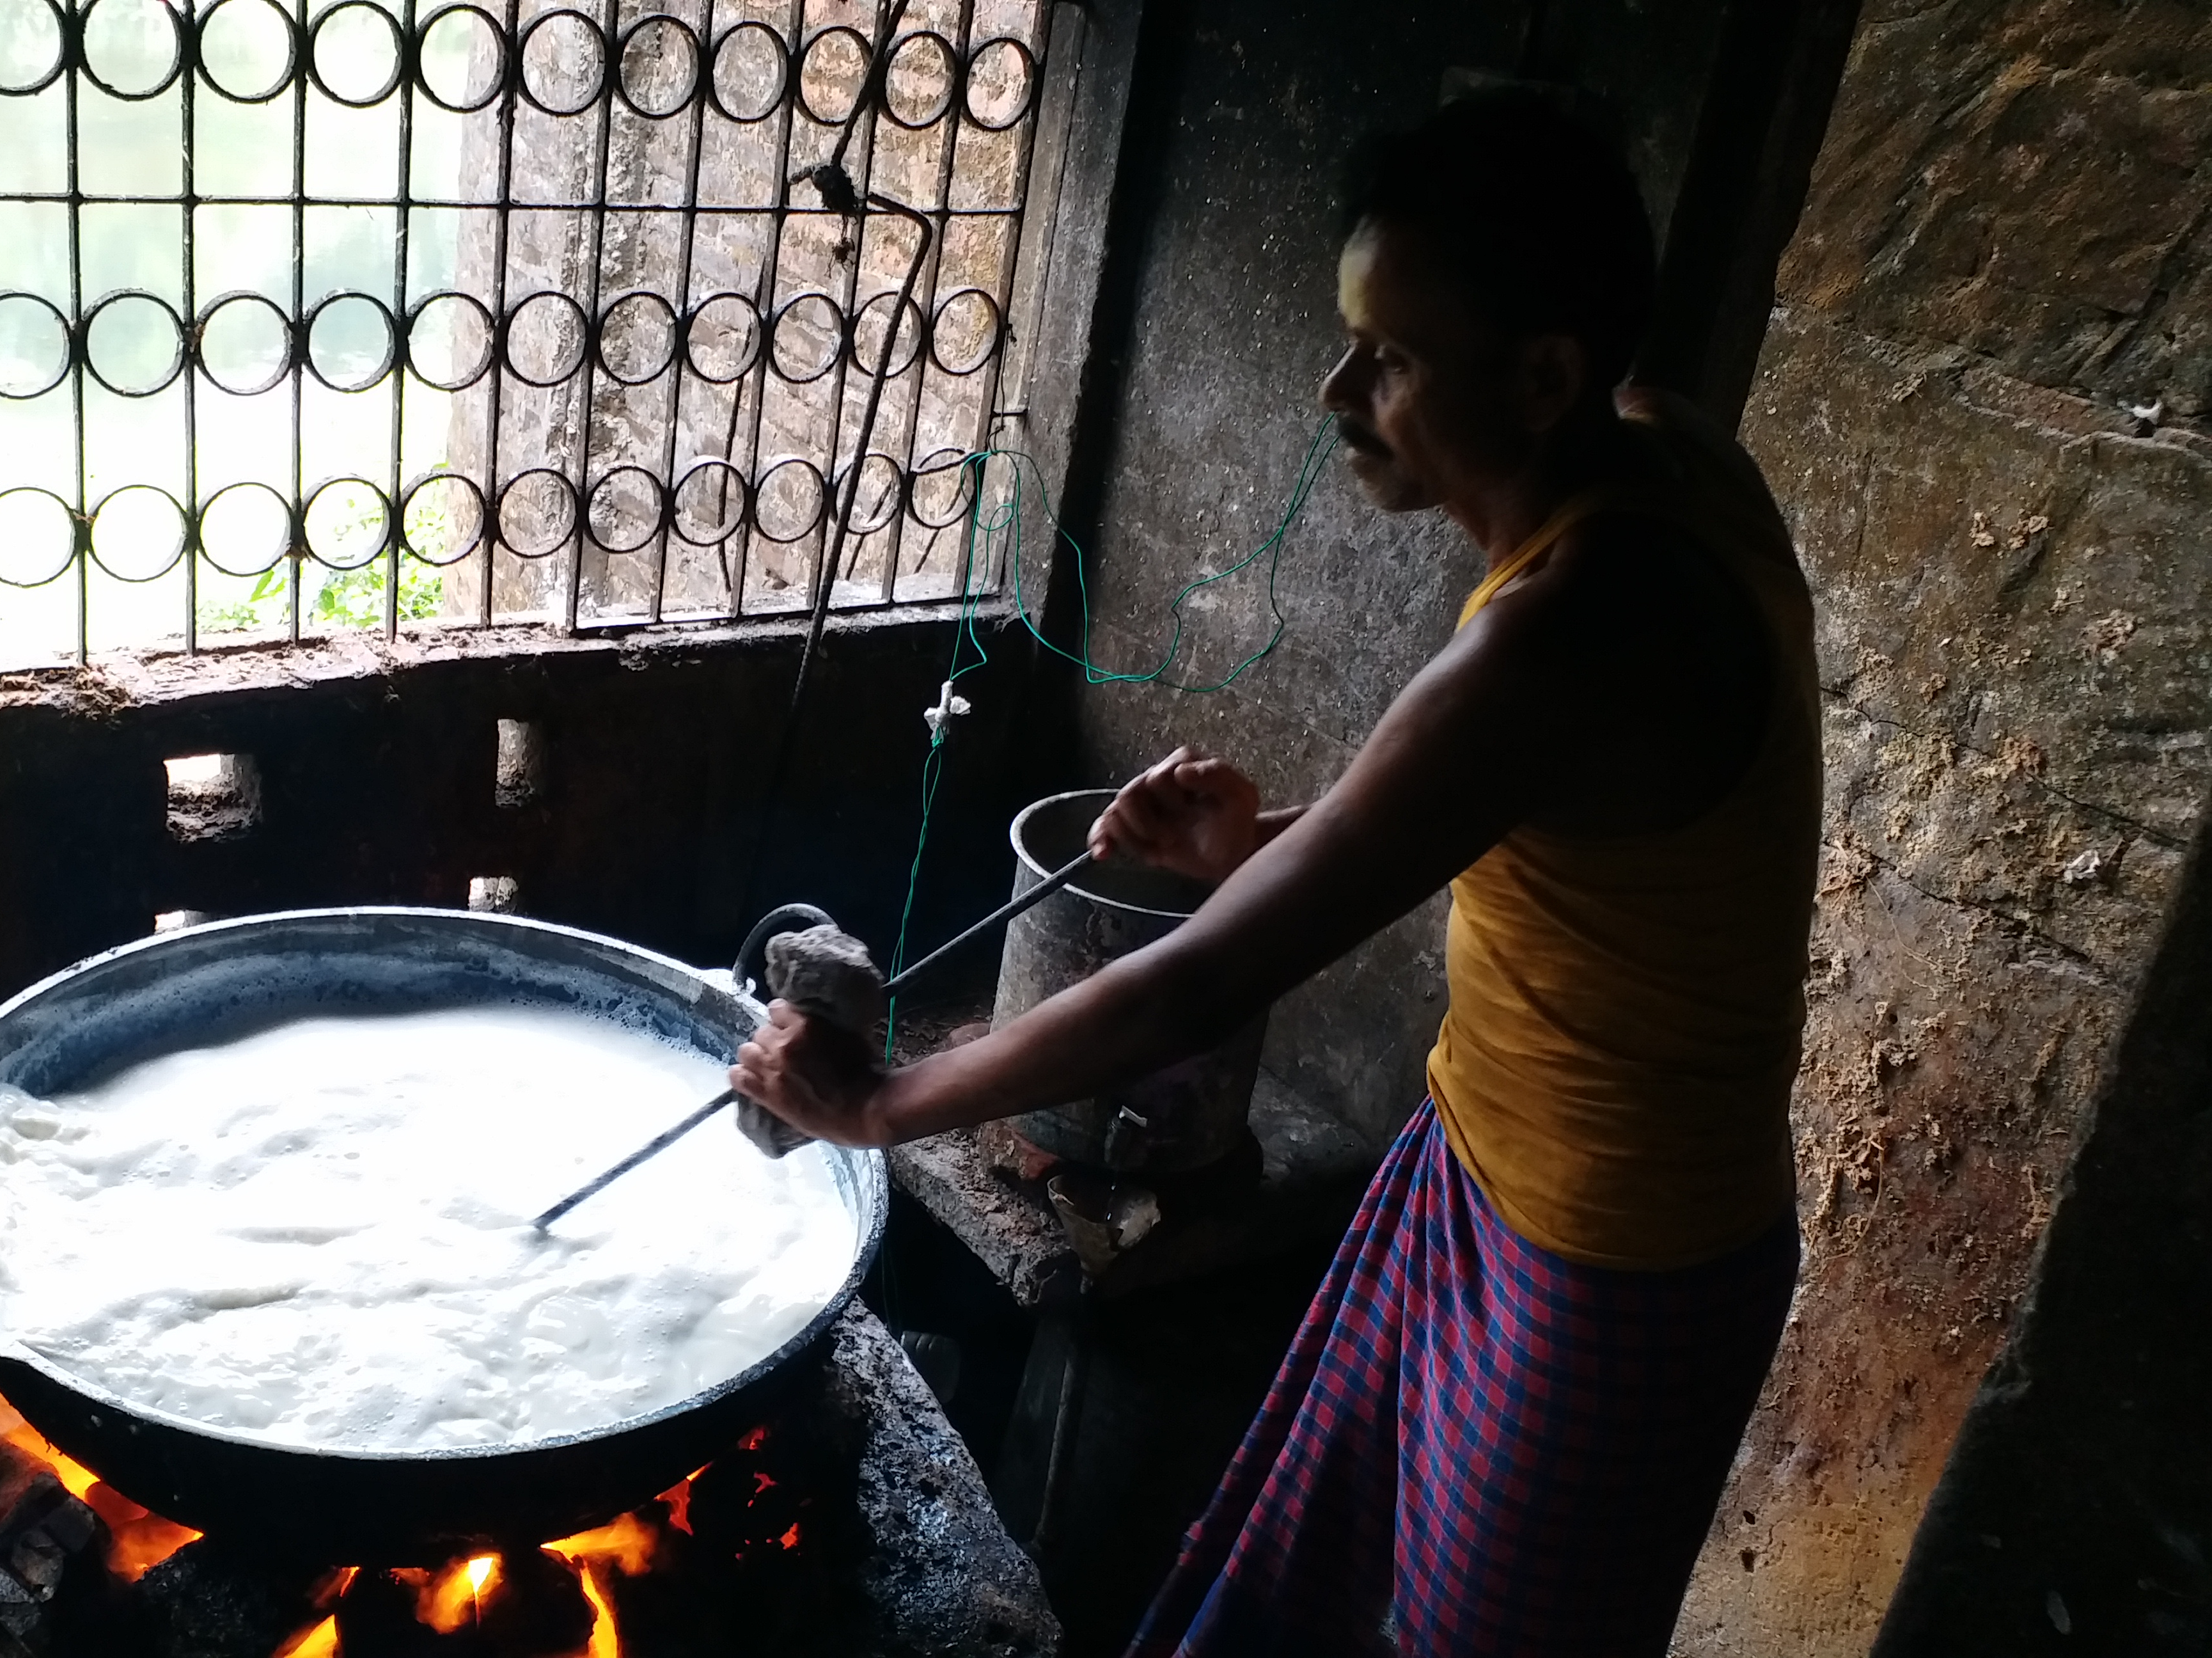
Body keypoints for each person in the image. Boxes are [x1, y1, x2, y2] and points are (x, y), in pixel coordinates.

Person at [730, 90, 1815, 1657]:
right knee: (1335, 1586)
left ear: (1546, 376)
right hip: (1481, 1160)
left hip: (1615, 1256)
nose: (1336, 389)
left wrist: (880, 1105)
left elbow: (1203, 975)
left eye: (1389, 358)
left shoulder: (1562, 632)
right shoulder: (1658, 460)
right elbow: (1521, 810)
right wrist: (1265, 841)